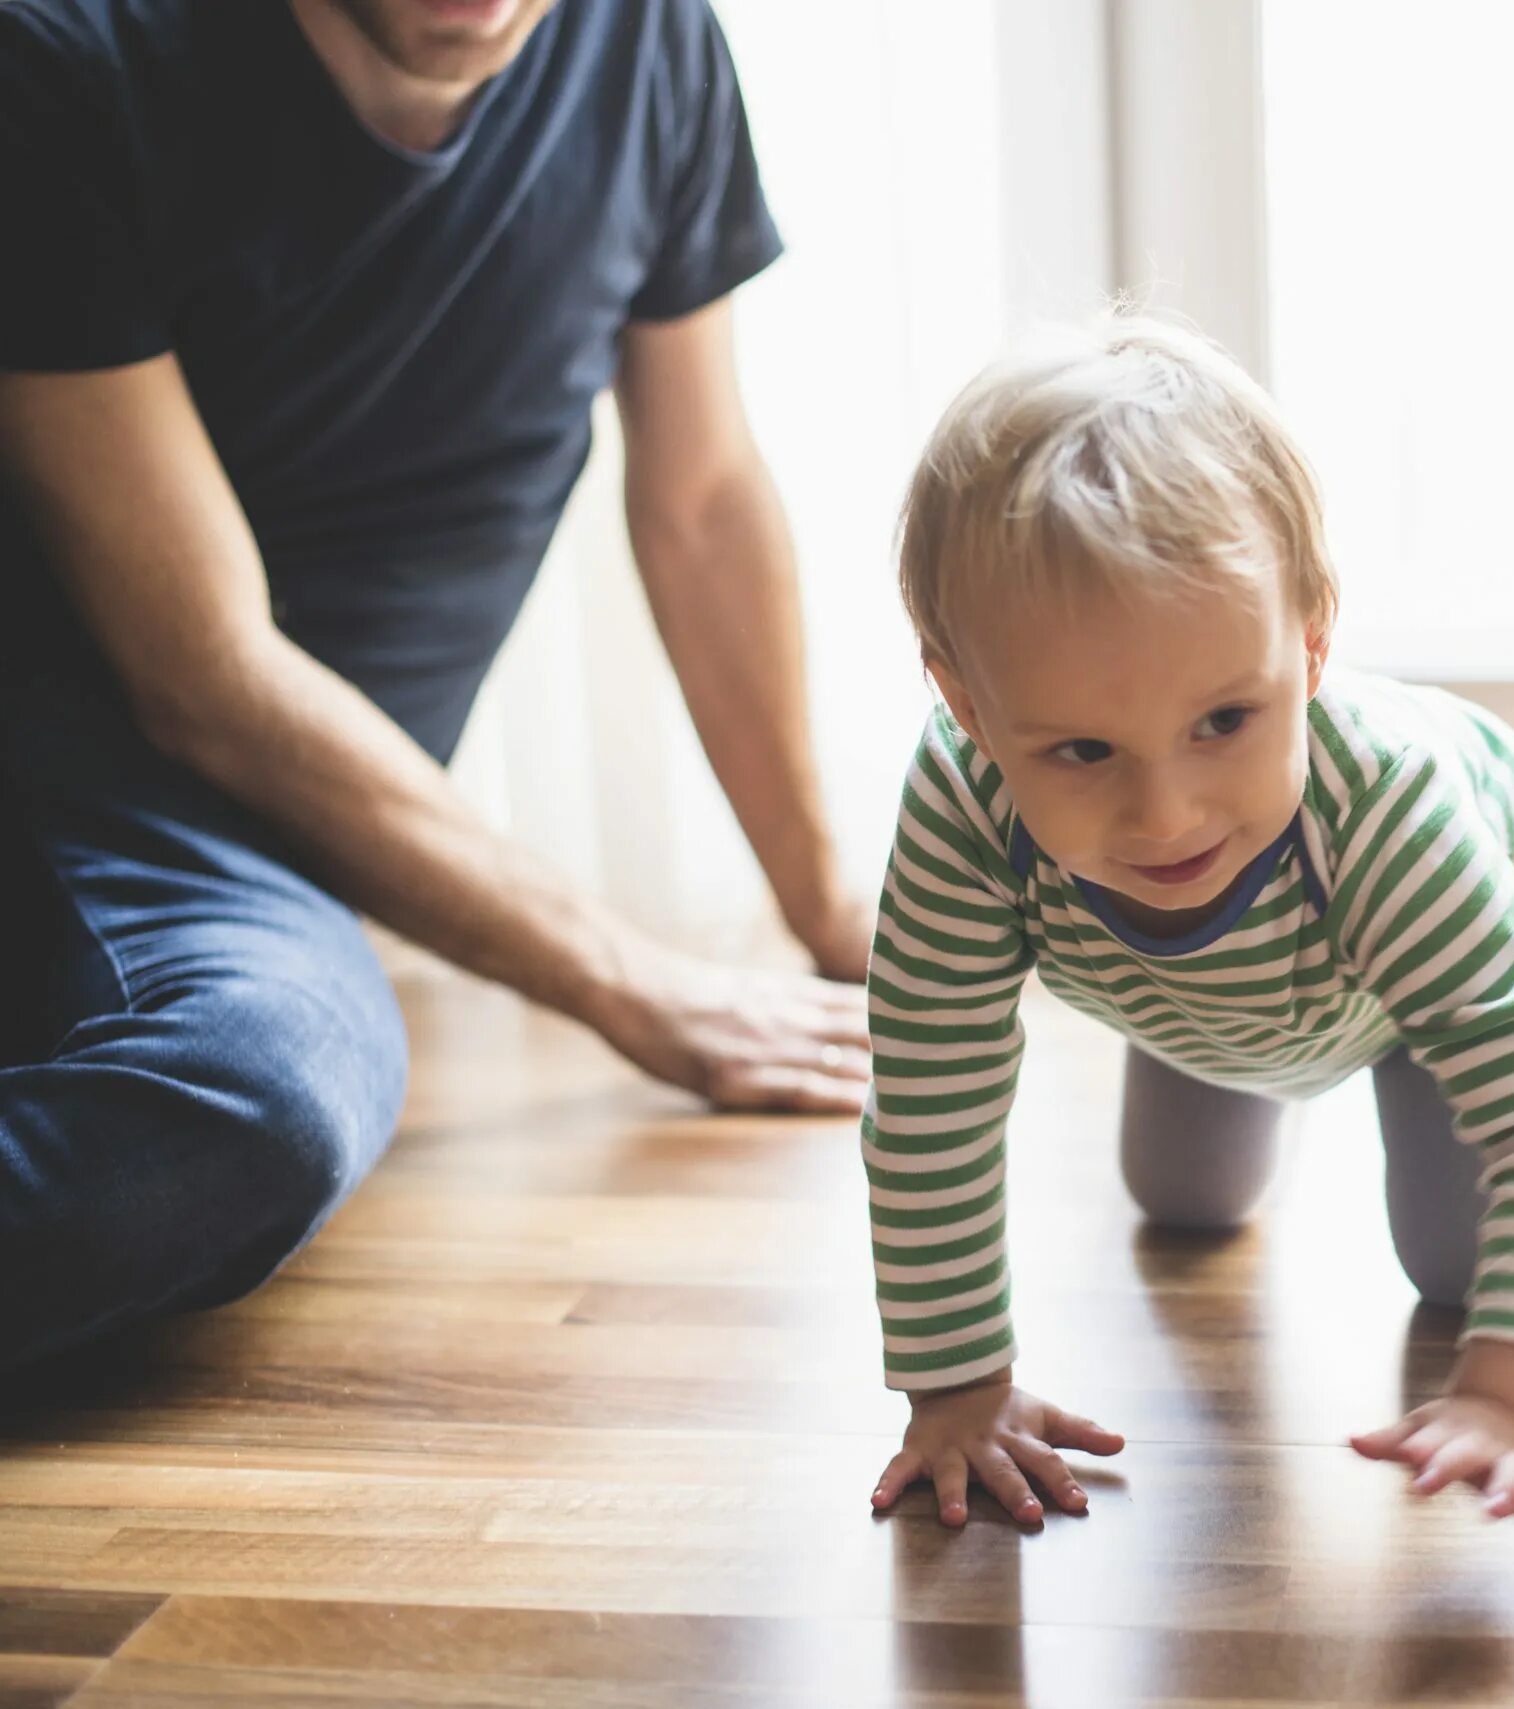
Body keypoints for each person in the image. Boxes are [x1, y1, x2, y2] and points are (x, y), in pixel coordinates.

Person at [0, 0, 874, 1375]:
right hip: (80, 800)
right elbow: (206, 678)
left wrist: (827, 910)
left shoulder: (647, 40)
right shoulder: (63, 59)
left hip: (274, 854)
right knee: (261, 1095)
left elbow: (700, 499)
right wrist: (641, 983)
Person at [859, 314, 1514, 1527]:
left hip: (1425, 950)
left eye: (1223, 721)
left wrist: (1510, 1399)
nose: (1164, 814)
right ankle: (1248, 1034)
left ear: (1309, 641)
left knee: (1459, 1267)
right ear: (968, 703)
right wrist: (956, 1387)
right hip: (1215, 986)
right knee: (1183, 1202)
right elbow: (931, 1096)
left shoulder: (1388, 814)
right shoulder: (961, 802)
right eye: (1083, 750)